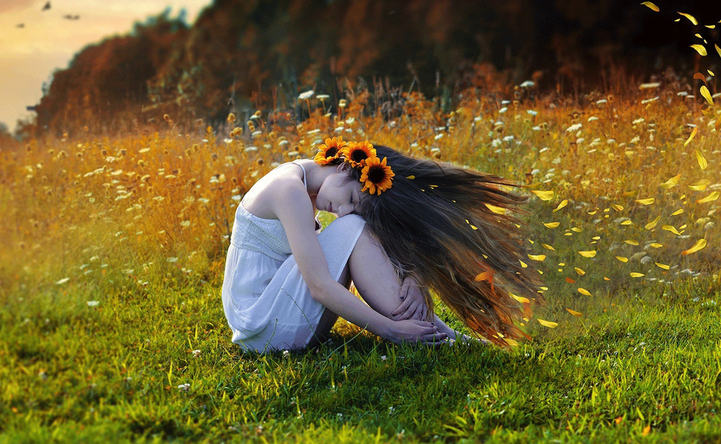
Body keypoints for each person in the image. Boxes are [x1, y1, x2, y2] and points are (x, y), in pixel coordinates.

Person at [221, 136, 543, 352]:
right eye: (350, 198)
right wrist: (390, 331)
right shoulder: (289, 190)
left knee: (358, 226)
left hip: (279, 324)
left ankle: (441, 335)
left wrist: (415, 276)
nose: (342, 210)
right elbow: (319, 287)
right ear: (345, 167)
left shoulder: (306, 184)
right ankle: (436, 336)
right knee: (353, 227)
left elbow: (379, 240)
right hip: (263, 327)